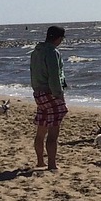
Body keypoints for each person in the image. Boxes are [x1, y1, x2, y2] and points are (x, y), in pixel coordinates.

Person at [29, 26, 67, 171]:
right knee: (53, 131)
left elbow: (33, 72)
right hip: (50, 92)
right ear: (58, 38)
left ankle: (40, 161)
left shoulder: (36, 52)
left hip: (38, 93)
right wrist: (59, 94)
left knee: (41, 129)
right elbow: (54, 75)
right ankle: (51, 164)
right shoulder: (52, 52)